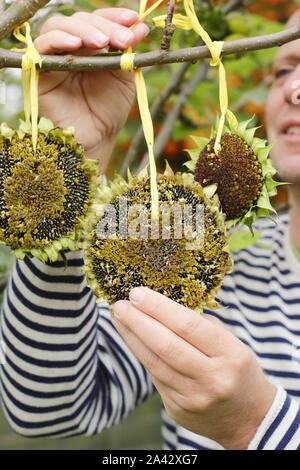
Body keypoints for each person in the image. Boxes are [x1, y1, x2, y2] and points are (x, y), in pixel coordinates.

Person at [0, 6, 299, 450]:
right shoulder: (208, 267)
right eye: (283, 69)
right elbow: (48, 409)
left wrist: (253, 426)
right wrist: (70, 176)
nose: (294, 89)